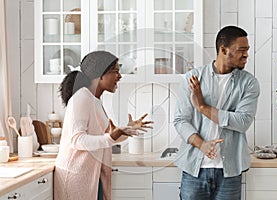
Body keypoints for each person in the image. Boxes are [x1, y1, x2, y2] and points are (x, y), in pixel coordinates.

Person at [173, 26, 260, 200]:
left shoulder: (249, 83)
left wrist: (203, 107)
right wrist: (201, 144)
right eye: (241, 50)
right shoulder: (193, 78)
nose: (246, 55)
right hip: (194, 169)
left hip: (230, 171)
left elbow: (243, 122)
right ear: (223, 50)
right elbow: (180, 120)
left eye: (247, 50)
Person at [54, 51, 152, 200]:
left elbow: (107, 138)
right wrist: (112, 136)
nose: (119, 77)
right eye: (115, 72)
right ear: (100, 75)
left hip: (90, 176)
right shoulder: (81, 98)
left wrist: (127, 130)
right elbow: (77, 140)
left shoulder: (95, 100)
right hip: (75, 176)